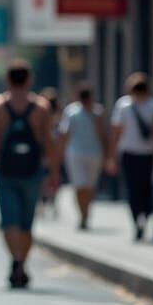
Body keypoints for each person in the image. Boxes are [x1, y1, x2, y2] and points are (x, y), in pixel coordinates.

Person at [0, 60, 60, 289]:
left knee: (9, 221)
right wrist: (54, 173)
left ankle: (16, 260)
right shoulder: (41, 108)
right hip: (33, 173)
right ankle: (23, 261)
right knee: (26, 221)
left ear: (8, 80)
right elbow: (50, 143)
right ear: (29, 80)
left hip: (4, 172)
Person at [106, 73, 153, 241]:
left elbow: (116, 133)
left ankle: (137, 220)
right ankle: (145, 217)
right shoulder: (152, 105)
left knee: (133, 189)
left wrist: (112, 157)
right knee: (146, 187)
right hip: (148, 153)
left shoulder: (124, 105)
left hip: (129, 153)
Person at [57, 82, 106, 230]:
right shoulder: (71, 111)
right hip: (75, 154)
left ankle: (87, 210)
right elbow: (65, 133)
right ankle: (83, 214)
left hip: (94, 153)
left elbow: (102, 134)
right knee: (79, 185)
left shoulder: (97, 112)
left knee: (90, 186)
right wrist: (60, 153)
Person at [38, 86, 63, 217]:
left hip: (44, 151)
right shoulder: (58, 115)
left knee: (43, 177)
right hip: (54, 151)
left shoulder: (41, 112)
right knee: (54, 175)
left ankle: (43, 203)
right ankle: (52, 202)